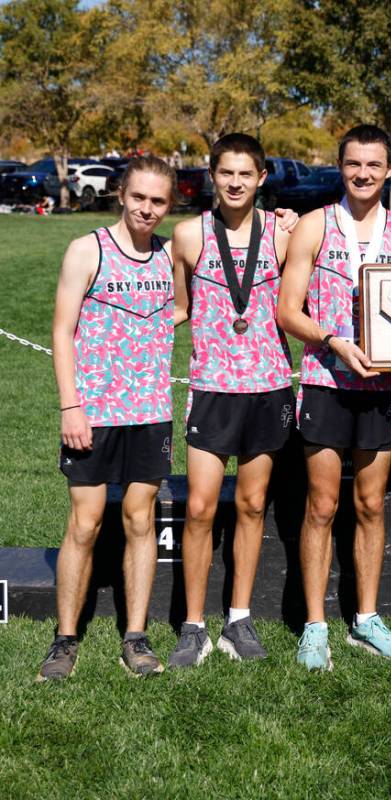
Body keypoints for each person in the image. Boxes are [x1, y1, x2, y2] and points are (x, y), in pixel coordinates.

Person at [277, 124, 391, 671]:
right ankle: (315, 626)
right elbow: (288, 310)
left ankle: (366, 618)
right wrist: (333, 341)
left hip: (382, 387)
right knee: (321, 505)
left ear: (389, 170)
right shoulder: (314, 226)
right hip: (325, 382)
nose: (363, 174)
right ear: (340, 167)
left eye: (373, 165)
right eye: (353, 164)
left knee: (369, 504)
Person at [39, 156, 180, 680]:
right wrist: (70, 405)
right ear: (122, 194)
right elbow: (61, 330)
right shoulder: (87, 250)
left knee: (141, 520)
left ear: (170, 205)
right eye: (139, 197)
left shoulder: (170, 256)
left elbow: (180, 307)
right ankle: (65, 640)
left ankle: (136, 638)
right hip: (93, 413)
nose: (147, 209)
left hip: (149, 411)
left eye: (158, 201)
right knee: (85, 522)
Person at [167, 133, 297, 668]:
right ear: (212, 175)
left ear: (262, 178)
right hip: (212, 386)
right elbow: (176, 307)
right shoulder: (187, 235)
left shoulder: (284, 234)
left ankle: (238, 619)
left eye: (247, 174)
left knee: (249, 505)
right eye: (227, 173)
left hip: (268, 386)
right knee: (198, 506)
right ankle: (194, 625)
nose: (236, 183)